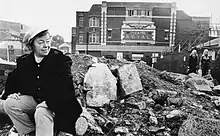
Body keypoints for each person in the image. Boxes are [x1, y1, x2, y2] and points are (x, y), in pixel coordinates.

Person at [2, 28, 82, 136]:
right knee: (10, 104)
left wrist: (48, 103)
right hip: (36, 100)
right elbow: (14, 79)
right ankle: (30, 133)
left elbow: (66, 88)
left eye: (48, 41)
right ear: (32, 45)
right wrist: (12, 93)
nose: (46, 45)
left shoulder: (60, 60)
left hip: (60, 103)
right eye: (41, 42)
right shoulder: (25, 61)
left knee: (41, 111)